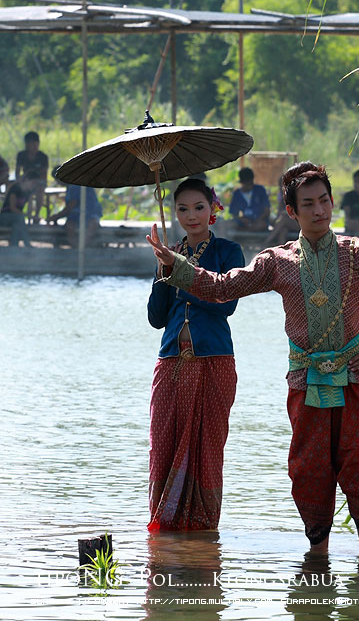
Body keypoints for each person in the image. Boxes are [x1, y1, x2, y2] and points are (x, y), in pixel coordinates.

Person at [147, 161, 359, 556]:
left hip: (357, 376)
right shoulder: (276, 261)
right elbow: (223, 288)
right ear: (292, 212)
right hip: (305, 380)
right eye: (308, 204)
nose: (319, 210)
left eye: (324, 200)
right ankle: (317, 561)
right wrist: (174, 266)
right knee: (309, 470)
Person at [146, 178, 245, 532]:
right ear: (174, 213)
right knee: (162, 444)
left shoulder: (228, 251)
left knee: (208, 448)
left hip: (214, 360)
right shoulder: (168, 253)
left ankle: (203, 532)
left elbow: (227, 303)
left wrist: (182, 275)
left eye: (199, 207)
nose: (191, 216)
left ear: (212, 209)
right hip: (171, 361)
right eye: (183, 209)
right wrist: (164, 270)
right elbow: (156, 318)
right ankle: (165, 534)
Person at [48, 174, 103, 247]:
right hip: (76, 215)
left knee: (92, 225)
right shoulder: (70, 187)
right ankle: (75, 247)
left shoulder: (75, 186)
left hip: (90, 213)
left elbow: (69, 208)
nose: (58, 183)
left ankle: (83, 246)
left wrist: (54, 217)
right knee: (70, 226)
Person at [15, 131, 49, 223]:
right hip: (25, 182)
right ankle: (21, 214)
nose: (34, 147)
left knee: (40, 190)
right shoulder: (21, 155)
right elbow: (17, 173)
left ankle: (36, 215)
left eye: (36, 144)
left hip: (39, 183)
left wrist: (36, 182)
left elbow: (44, 176)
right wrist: (22, 181)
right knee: (26, 192)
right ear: (26, 145)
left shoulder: (43, 157)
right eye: (31, 145)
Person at [0, 170, 41, 247]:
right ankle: (27, 244)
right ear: (26, 180)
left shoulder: (29, 192)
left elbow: (30, 208)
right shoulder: (15, 189)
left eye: (36, 184)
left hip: (16, 219)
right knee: (19, 218)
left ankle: (14, 247)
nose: (34, 185)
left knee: (17, 225)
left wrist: (32, 217)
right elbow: (12, 208)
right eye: (33, 182)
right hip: (4, 217)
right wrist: (28, 216)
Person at [229, 167, 270, 231]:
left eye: (251, 183)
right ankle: (247, 230)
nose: (250, 186)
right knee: (228, 224)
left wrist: (257, 220)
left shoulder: (260, 190)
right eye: (247, 184)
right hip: (244, 223)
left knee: (262, 225)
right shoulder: (237, 194)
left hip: (259, 221)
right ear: (242, 182)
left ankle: (245, 231)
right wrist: (242, 219)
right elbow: (233, 213)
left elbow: (267, 211)